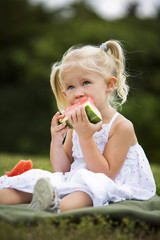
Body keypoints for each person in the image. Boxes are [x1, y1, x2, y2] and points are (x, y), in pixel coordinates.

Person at [0, 40, 156, 213]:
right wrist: (57, 141)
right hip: (76, 178)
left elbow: (105, 175)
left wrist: (86, 137)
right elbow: (63, 169)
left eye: (86, 82)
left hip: (108, 182)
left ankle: (55, 206)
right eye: (71, 87)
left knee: (87, 190)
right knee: (37, 181)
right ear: (65, 93)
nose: (78, 92)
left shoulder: (121, 126)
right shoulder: (77, 123)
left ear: (109, 84)